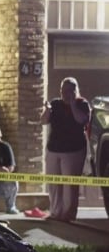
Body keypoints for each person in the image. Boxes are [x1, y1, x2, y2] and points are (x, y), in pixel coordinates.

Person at [40, 77, 90, 222]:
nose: (66, 93)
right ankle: (55, 212)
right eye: (63, 90)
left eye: (69, 90)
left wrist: (73, 104)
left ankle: (68, 215)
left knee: (70, 185)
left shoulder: (82, 104)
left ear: (76, 90)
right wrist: (47, 111)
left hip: (74, 150)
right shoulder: (55, 103)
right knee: (54, 183)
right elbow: (43, 121)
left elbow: (82, 120)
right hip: (54, 148)